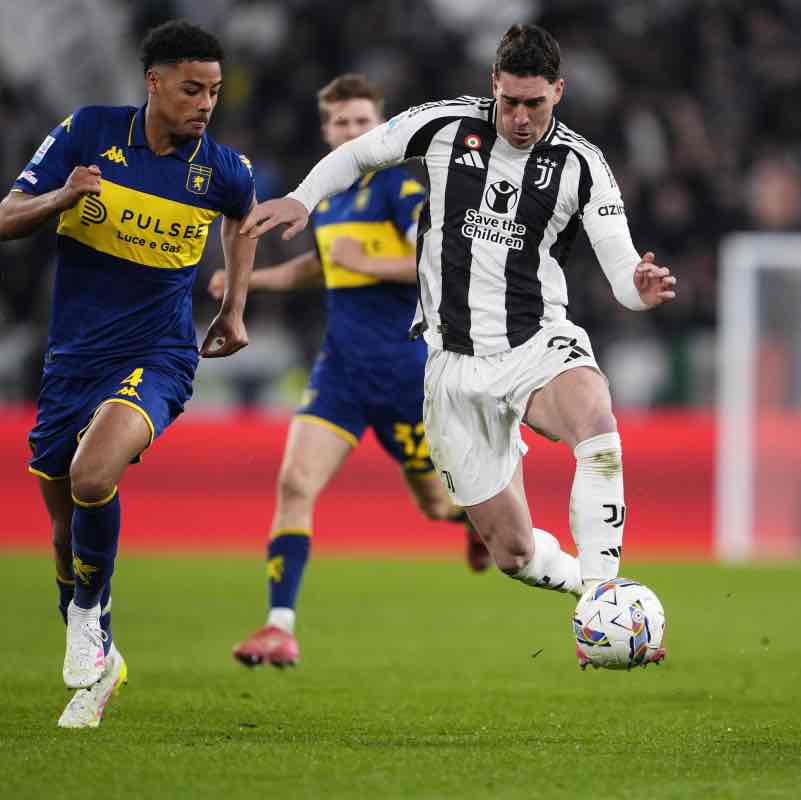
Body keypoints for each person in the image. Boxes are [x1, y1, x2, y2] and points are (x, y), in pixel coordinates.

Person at [240, 24, 676, 667]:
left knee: (595, 419)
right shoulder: (446, 125)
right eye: (511, 102)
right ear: (493, 86)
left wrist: (640, 287)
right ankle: (582, 588)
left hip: (536, 342)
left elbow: (622, 274)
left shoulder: (583, 165)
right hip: (450, 366)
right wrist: (303, 200)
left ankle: (603, 594)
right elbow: (360, 153)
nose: (521, 118)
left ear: (558, 92)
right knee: (514, 553)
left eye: (536, 104)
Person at [0, 20, 256, 726]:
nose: (205, 104)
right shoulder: (88, 132)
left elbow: (242, 219)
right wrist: (60, 199)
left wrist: (234, 309)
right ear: (154, 81)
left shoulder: (222, 169)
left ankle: (88, 612)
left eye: (214, 91)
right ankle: (101, 654)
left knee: (92, 475)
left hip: (158, 355)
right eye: (191, 89)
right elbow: (7, 215)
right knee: (63, 532)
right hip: (72, 360)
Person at [215, 74, 490, 669]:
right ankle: (279, 627)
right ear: (327, 130)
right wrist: (247, 281)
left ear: (380, 127)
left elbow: (438, 259)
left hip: (405, 377)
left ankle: (474, 519)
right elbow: (319, 267)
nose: (352, 131)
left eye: (363, 121)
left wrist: (366, 259)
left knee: (436, 506)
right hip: (340, 370)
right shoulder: (328, 196)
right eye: (342, 122)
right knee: (295, 484)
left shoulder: (399, 186)